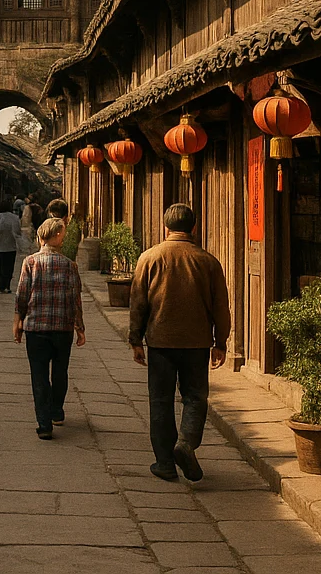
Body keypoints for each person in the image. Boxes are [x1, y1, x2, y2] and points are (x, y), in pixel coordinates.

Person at [129, 203, 232, 483]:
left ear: (166, 227)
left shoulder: (149, 258)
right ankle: (186, 443)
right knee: (195, 397)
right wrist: (220, 341)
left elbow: (138, 302)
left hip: (160, 342)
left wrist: (135, 339)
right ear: (194, 228)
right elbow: (220, 306)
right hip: (196, 343)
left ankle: (164, 462)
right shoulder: (207, 261)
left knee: (160, 401)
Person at [13, 218, 87, 439]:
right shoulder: (69, 265)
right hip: (62, 328)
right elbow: (76, 299)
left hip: (36, 328)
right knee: (60, 371)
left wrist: (17, 322)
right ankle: (56, 410)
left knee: (39, 375)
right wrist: (79, 327)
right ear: (56, 236)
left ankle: (44, 423)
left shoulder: (30, 262)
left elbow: (21, 296)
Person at [0, 206, 20, 293]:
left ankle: (1, 285)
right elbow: (18, 231)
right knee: (9, 267)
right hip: (11, 246)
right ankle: (7, 285)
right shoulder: (15, 217)